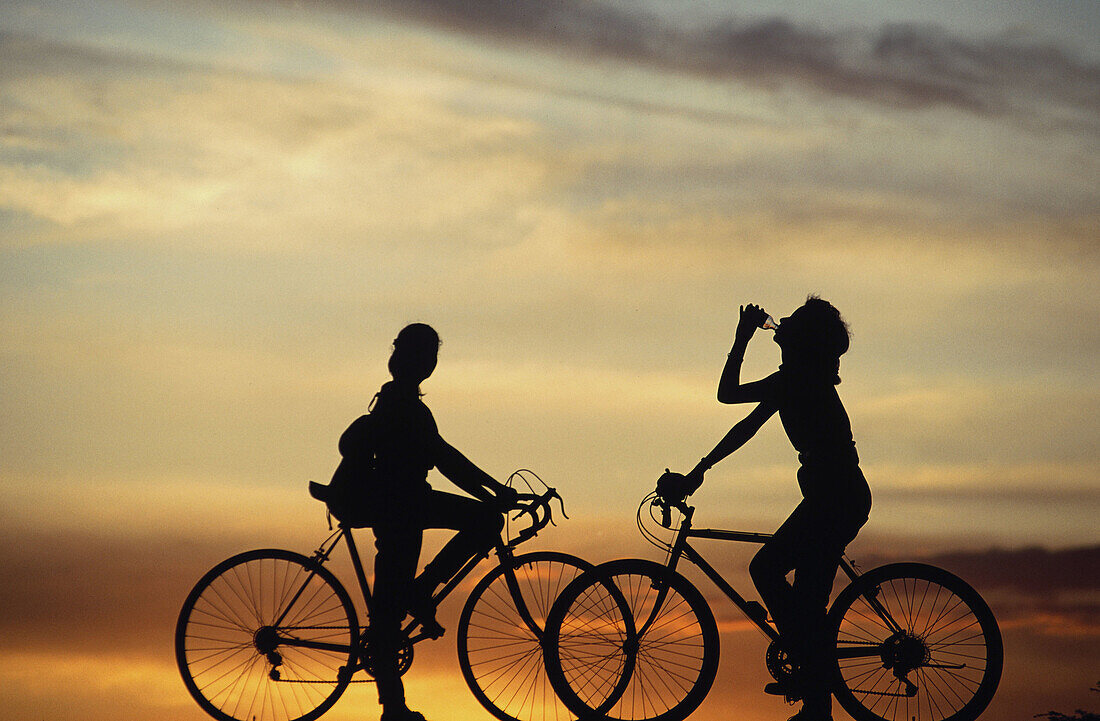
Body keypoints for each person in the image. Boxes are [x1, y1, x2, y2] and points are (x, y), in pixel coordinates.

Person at [659, 297, 871, 721]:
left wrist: (741, 339)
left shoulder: (798, 378)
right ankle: (814, 690)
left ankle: (812, 672)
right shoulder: (796, 378)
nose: (782, 320)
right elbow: (745, 425)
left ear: (802, 339)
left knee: (768, 571)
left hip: (835, 497)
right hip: (836, 495)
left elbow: (728, 396)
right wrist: (701, 469)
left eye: (792, 320)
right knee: (804, 600)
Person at [335, 323, 517, 721]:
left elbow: (443, 455)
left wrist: (492, 490)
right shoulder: (405, 405)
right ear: (420, 359)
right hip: (402, 505)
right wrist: (494, 493)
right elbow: (444, 458)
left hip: (403, 503)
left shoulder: (397, 400)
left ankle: (395, 703)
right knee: (388, 611)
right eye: (429, 354)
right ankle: (395, 702)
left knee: (388, 608)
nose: (430, 362)